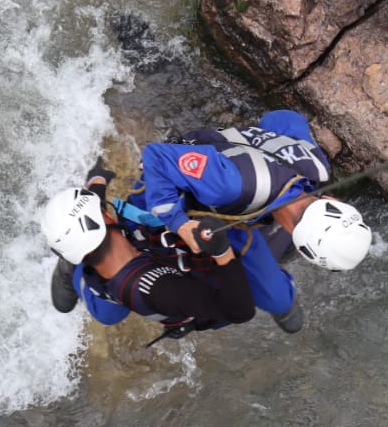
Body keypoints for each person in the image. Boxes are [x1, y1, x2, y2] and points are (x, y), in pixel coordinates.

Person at [132, 109, 372, 333]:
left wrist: (259, 142)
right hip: (173, 193)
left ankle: (280, 300)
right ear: (299, 246)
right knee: (122, 278)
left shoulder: (316, 166)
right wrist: (179, 223)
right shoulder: (227, 185)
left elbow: (284, 119)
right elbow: (156, 156)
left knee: (279, 300)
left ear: (330, 198)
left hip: (235, 215)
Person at [40, 164, 255, 344]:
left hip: (113, 261)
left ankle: (74, 260)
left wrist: (98, 178)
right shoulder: (156, 287)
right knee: (108, 314)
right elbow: (240, 311)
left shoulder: (109, 236)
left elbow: (95, 214)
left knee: (107, 311)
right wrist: (221, 251)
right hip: (149, 284)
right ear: (107, 218)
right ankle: (72, 270)